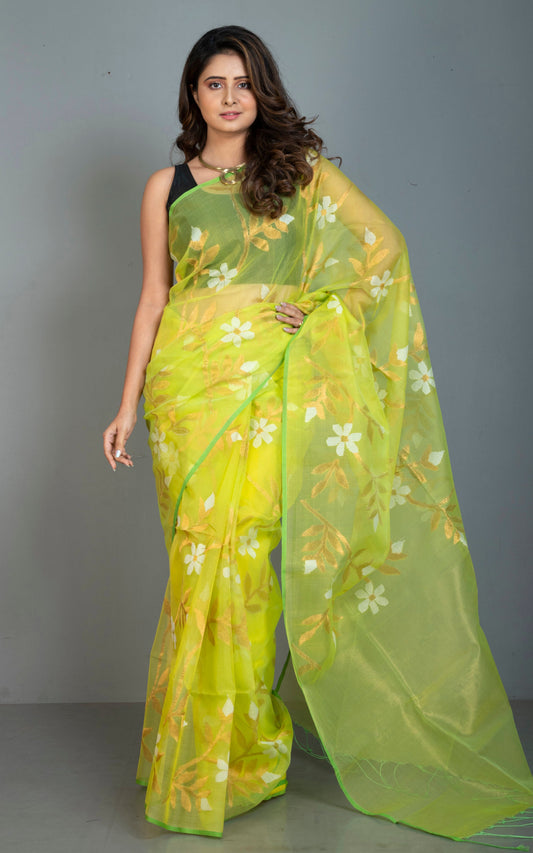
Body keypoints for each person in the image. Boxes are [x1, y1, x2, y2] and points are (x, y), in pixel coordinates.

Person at [103, 25, 533, 845]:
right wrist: (125, 404)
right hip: (186, 391)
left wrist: (324, 307)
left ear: (261, 90)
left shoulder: (297, 175)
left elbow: (379, 254)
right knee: (197, 564)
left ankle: (243, 753)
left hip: (268, 382)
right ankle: (193, 753)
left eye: (242, 82)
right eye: (213, 83)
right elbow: (153, 297)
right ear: (192, 95)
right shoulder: (166, 186)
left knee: (243, 561)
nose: (229, 97)